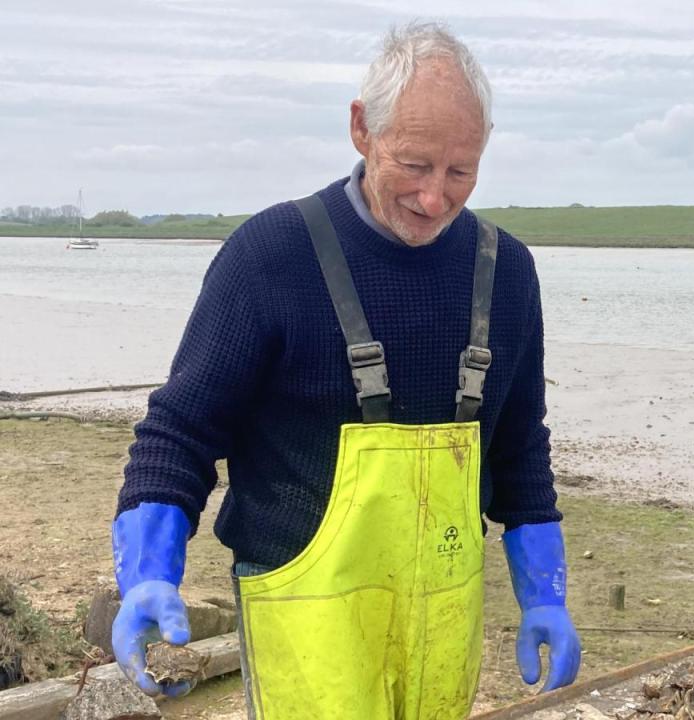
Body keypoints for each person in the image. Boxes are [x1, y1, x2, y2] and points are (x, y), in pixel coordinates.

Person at [109, 21, 580, 719]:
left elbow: (517, 443)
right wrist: (149, 574)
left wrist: (545, 594)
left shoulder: (506, 272)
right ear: (362, 129)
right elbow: (180, 431)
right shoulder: (269, 256)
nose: (434, 199)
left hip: (442, 621)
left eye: (460, 172)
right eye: (415, 166)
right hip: (303, 618)